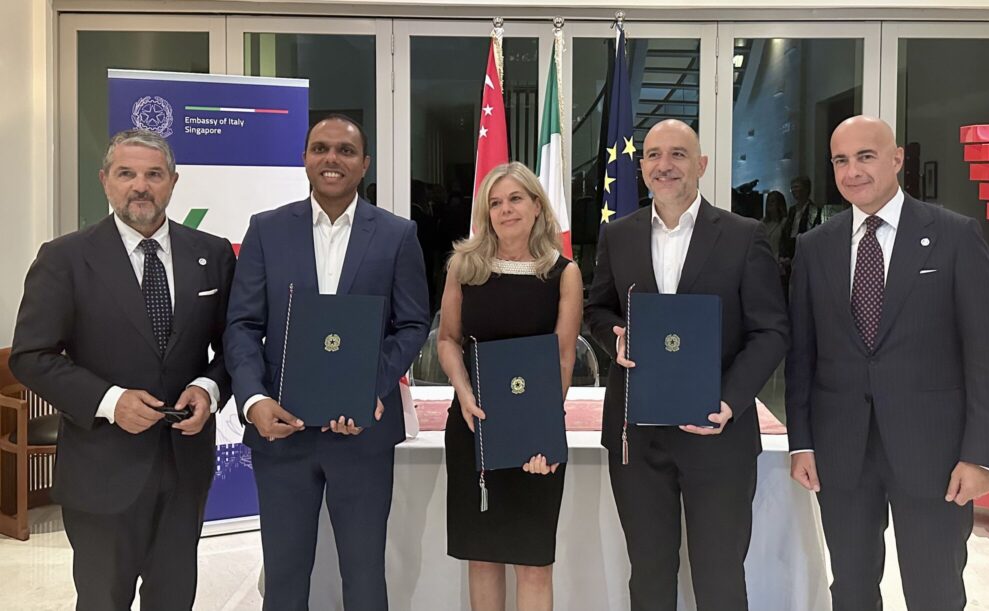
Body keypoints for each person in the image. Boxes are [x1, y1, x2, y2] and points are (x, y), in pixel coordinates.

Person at [786, 115, 989, 611]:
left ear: (897, 159)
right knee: (851, 589)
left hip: (935, 454)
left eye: (865, 156)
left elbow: (983, 355)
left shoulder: (954, 236)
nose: (853, 171)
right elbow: (802, 355)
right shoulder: (815, 247)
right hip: (842, 452)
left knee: (934, 592)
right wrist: (802, 442)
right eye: (841, 160)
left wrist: (980, 455)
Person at [10, 129, 235, 611]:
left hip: (185, 468)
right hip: (101, 469)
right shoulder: (65, 258)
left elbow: (234, 348)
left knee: (174, 598)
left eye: (154, 174)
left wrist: (208, 388)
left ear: (173, 181)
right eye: (126, 173)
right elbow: (31, 355)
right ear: (105, 181)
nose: (140, 186)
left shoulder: (212, 254)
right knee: (102, 601)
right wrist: (110, 401)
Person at [223, 114, 430, 611]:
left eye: (345, 150)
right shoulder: (267, 230)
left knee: (364, 575)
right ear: (304, 158)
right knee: (285, 576)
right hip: (281, 432)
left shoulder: (397, 235)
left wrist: (369, 387)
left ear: (365, 164)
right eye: (320, 148)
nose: (331, 159)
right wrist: (253, 400)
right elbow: (242, 325)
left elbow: (411, 324)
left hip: (362, 434)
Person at [584, 119, 788, 610]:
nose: (664, 165)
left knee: (720, 577)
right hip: (638, 436)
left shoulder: (744, 236)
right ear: (642, 167)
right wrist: (615, 338)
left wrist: (730, 402)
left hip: (717, 432)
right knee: (649, 574)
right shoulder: (619, 235)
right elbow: (598, 309)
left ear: (701, 165)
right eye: (654, 155)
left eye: (678, 154)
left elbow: (771, 331)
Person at [437, 162, 583, 611]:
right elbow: (447, 339)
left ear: (537, 205)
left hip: (534, 433)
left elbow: (563, 357)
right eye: (495, 203)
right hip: (473, 428)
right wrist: (463, 392)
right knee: (483, 557)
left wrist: (542, 433)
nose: (506, 210)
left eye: (515, 199)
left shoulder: (563, 273)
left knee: (534, 562)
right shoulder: (464, 268)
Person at [762, 190, 787, 258]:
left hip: (777, 259)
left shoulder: (785, 222)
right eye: (768, 201)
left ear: (779, 204)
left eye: (773, 201)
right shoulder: (762, 223)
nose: (769, 204)